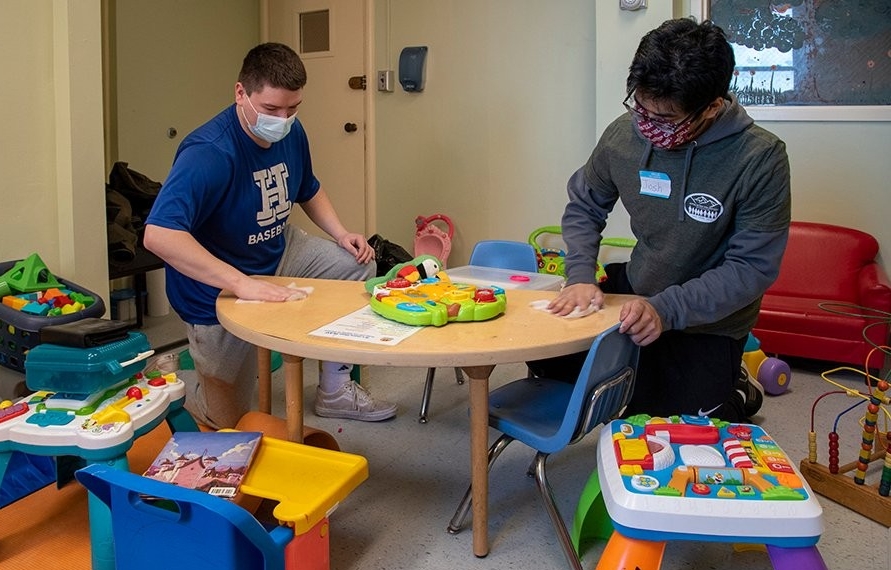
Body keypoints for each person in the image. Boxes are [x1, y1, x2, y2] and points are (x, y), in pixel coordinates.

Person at [530, 18, 791, 423]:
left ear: (711, 107)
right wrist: (579, 274)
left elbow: (751, 268)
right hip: (639, 288)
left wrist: (667, 310)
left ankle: (736, 389)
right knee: (548, 364)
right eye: (640, 107)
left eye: (665, 118)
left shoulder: (761, 158)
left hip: (709, 320)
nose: (647, 126)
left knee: (679, 424)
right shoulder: (623, 136)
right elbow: (585, 203)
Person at [144, 42, 397, 429]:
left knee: (356, 264)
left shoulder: (291, 133)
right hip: (215, 284)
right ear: (240, 93)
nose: (282, 119)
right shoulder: (207, 152)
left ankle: (334, 390)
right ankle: (175, 385)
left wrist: (341, 232)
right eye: (271, 110)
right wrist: (242, 284)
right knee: (229, 422)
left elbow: (308, 188)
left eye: (292, 109)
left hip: (279, 250)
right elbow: (159, 236)